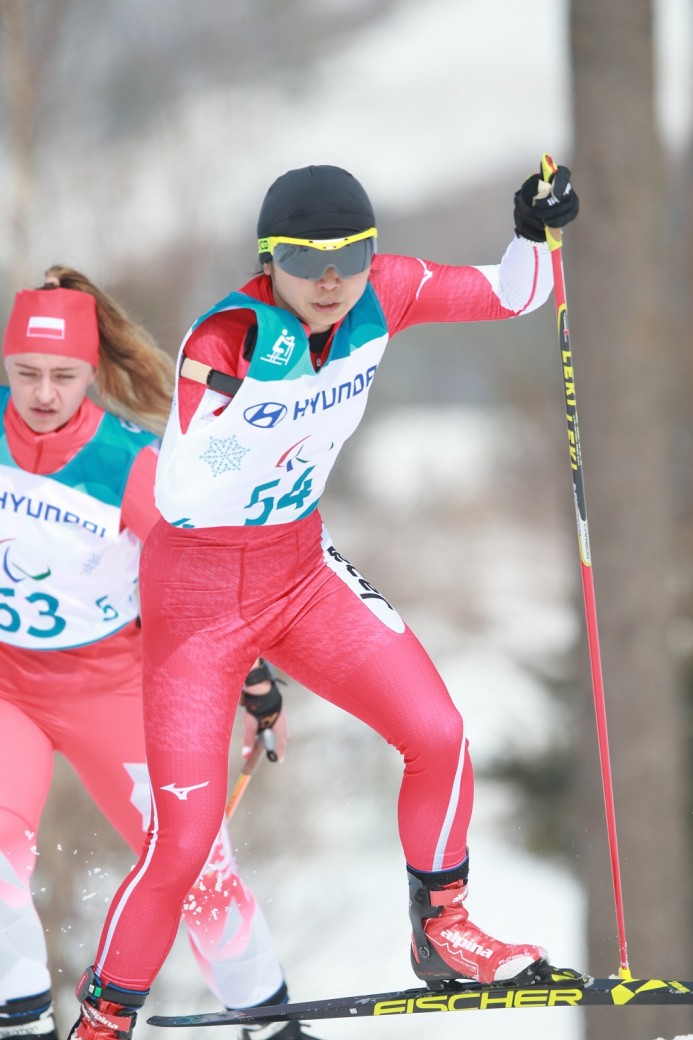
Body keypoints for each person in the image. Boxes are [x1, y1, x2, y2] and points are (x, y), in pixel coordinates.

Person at [70, 159, 580, 1039]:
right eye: (307, 261)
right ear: (269, 260)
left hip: (297, 571)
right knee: (183, 845)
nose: (332, 279)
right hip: (195, 599)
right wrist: (255, 408)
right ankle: (104, 1018)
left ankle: (443, 931)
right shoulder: (226, 337)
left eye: (349, 254)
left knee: (438, 734)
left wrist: (534, 233)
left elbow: (515, 292)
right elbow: (188, 497)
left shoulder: (385, 290)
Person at [0, 267, 323, 1040]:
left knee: (194, 865)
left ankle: (271, 1022)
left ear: (92, 373)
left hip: (111, 686)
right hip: (8, 686)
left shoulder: (133, 464)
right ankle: (19, 1021)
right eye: (25, 373)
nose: (44, 393)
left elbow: (203, 582)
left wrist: (254, 682)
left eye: (64, 376)